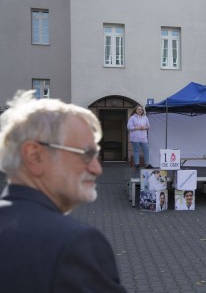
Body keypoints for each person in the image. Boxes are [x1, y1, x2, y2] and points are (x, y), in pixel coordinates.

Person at [0, 90, 127, 292]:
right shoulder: (75, 243)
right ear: (35, 156)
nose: (97, 168)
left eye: (97, 155)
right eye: (86, 154)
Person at [127, 105, 152, 169]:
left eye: (141, 109)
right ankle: (137, 164)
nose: (140, 110)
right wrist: (138, 128)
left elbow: (148, 126)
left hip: (144, 138)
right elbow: (129, 127)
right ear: (135, 110)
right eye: (138, 109)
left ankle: (147, 164)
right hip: (135, 138)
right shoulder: (132, 118)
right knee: (136, 151)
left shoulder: (145, 117)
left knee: (146, 150)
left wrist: (144, 127)